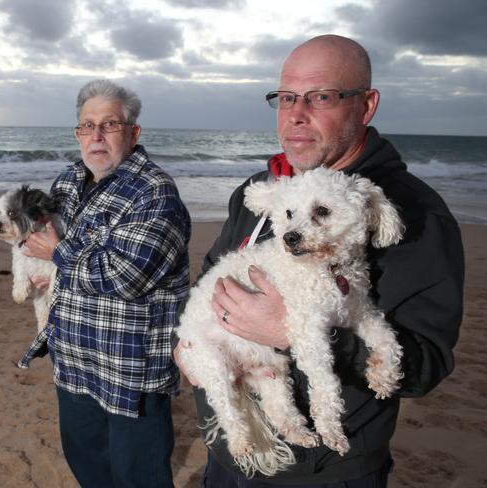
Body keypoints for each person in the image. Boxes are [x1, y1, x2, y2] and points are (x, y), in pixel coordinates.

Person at [174, 34, 464, 487]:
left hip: (323, 470)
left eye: (320, 97)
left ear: (366, 105)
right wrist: (188, 340)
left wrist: (287, 330)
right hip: (231, 455)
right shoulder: (259, 190)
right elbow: (209, 276)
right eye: (286, 97)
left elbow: (426, 364)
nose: (295, 114)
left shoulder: (416, 215)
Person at [24, 79, 191, 488]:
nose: (96, 136)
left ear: (133, 133)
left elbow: (124, 277)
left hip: (130, 371)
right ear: (78, 133)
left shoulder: (155, 192)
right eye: (87, 125)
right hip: (74, 361)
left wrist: (58, 252)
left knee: (138, 477)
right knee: (89, 468)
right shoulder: (67, 181)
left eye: (110, 124)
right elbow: (37, 239)